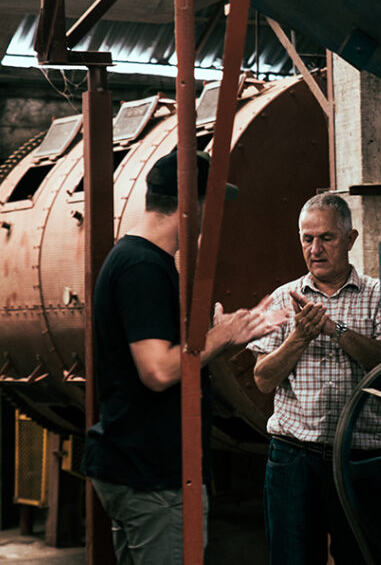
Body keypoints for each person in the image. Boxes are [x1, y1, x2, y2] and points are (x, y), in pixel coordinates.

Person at [81, 148, 288, 564]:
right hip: (152, 476)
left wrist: (225, 338)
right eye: (212, 206)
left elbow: (176, 357)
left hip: (136, 466)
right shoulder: (144, 268)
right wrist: (217, 336)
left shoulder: (139, 260)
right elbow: (157, 370)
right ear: (192, 205)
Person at [250, 193, 381, 565]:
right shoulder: (283, 298)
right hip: (294, 459)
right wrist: (299, 337)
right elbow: (263, 379)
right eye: (307, 239)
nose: (315, 249)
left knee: (361, 558)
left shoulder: (378, 296)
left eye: (326, 237)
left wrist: (334, 328)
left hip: (361, 459)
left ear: (351, 239)